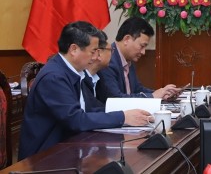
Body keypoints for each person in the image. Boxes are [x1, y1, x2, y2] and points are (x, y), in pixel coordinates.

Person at [18, 21, 151, 160]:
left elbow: (90, 109)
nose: (95, 57)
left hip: (68, 148)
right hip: (44, 157)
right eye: (93, 51)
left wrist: (128, 114)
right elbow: (76, 119)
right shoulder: (54, 77)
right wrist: (122, 117)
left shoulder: (72, 71)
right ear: (74, 49)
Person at [99, 17, 181, 99]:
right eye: (142, 46)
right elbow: (115, 98)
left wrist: (162, 93)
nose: (143, 52)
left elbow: (138, 90)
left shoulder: (128, 59)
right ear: (127, 39)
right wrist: (153, 96)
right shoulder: (108, 60)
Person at [81, 30, 111, 111]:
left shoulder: (100, 75)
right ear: (98, 53)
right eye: (111, 50)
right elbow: (91, 109)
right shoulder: (80, 78)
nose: (112, 54)